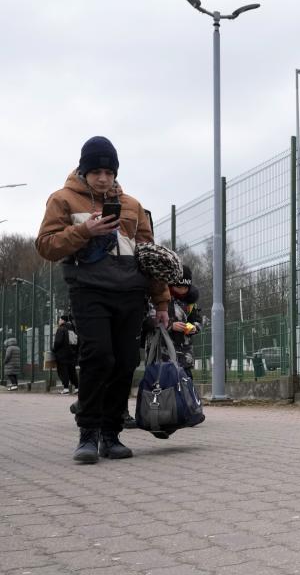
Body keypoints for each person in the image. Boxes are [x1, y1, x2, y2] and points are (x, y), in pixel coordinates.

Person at [36, 136, 170, 463]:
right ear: (84, 170)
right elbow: (46, 245)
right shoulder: (62, 200)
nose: (103, 177)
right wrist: (85, 232)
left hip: (130, 294)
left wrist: (162, 302)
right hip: (89, 290)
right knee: (98, 357)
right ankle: (88, 434)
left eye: (109, 171)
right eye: (95, 170)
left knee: (125, 362)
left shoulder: (133, 205)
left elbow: (149, 256)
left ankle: (111, 434)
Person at [166, 265, 202, 379]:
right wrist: (171, 326)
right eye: (179, 287)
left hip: (185, 355)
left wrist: (194, 327)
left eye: (185, 288)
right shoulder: (161, 299)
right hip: (164, 355)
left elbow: (198, 321)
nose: (182, 291)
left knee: (186, 388)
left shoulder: (190, 302)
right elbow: (150, 321)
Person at [52, 315, 80, 394]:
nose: (59, 321)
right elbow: (77, 342)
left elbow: (58, 342)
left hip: (62, 355)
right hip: (72, 355)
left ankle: (66, 389)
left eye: (59, 320)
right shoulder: (73, 329)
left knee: (63, 371)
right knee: (72, 372)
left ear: (62, 320)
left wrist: (54, 349)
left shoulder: (61, 329)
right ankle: (77, 388)